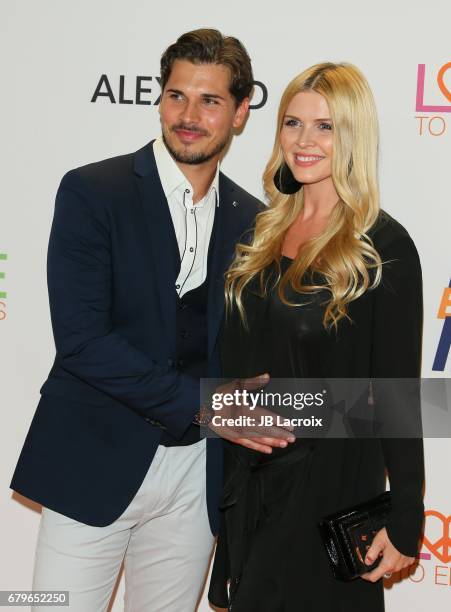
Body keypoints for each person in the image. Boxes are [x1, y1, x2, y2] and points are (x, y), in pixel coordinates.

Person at [10, 29, 292, 612]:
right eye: (176, 96)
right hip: (93, 457)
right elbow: (83, 343)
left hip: (197, 473)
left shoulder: (255, 220)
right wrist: (203, 404)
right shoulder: (94, 191)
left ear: (241, 112)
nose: (189, 116)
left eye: (210, 100)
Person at [208, 63, 425, 611]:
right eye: (292, 123)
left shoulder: (383, 247)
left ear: (352, 136)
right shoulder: (258, 234)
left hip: (329, 488)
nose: (304, 141)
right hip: (251, 488)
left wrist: (406, 515)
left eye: (325, 126)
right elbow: (231, 373)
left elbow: (397, 395)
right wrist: (221, 411)